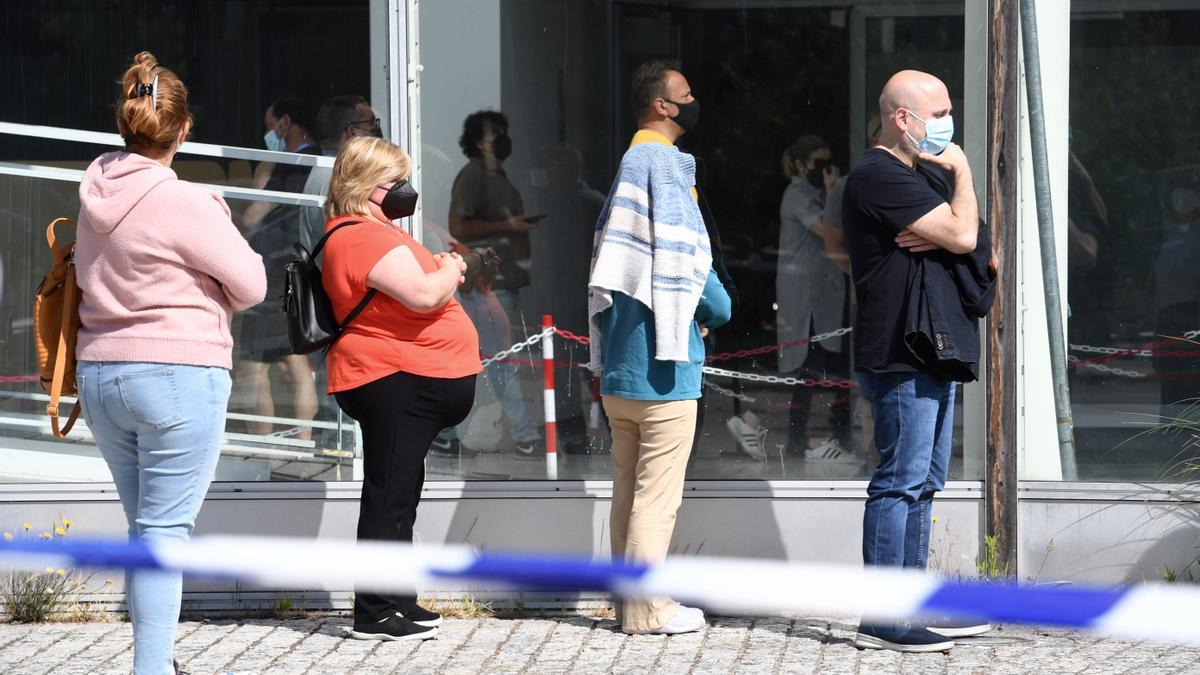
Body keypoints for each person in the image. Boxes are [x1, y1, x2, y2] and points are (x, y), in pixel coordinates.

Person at [74, 51, 267, 674]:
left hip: (101, 371)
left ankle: (153, 662)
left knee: (145, 533)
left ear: (125, 123)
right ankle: (152, 669)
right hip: (177, 374)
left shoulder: (94, 188)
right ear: (183, 131)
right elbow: (253, 284)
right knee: (164, 535)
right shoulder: (186, 200)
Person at [841, 70, 993, 652]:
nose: (947, 127)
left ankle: (913, 605)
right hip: (901, 350)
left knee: (926, 483)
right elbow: (962, 236)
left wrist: (960, 230)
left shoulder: (921, 173)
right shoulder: (877, 175)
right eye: (939, 113)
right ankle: (885, 619)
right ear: (903, 118)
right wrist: (964, 177)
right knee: (899, 483)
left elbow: (980, 242)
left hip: (936, 346)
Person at [588, 60, 732, 635]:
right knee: (656, 499)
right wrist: (719, 310)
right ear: (663, 106)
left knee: (628, 494)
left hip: (621, 371)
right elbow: (685, 259)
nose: (695, 101)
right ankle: (649, 610)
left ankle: (628, 605)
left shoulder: (627, 166)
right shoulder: (661, 163)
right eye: (687, 94)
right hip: (664, 370)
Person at [320, 136, 481, 641]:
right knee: (389, 494)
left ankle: (398, 599)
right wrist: (451, 268)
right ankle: (373, 613)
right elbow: (422, 295)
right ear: (366, 187)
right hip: (391, 377)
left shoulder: (373, 231)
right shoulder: (357, 235)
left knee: (401, 493)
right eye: (395, 182)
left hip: (405, 377)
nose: (404, 190)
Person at [446, 110, 542, 456]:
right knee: (500, 360)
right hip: (488, 284)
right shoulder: (473, 177)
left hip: (499, 281)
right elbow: (458, 226)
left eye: (504, 131)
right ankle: (525, 434)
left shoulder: (496, 175)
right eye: (494, 134)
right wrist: (510, 226)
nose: (502, 138)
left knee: (486, 359)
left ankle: (446, 434)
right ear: (476, 143)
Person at [298, 95, 384, 447]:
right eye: (372, 123)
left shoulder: (326, 173)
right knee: (345, 404)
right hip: (343, 308)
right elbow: (353, 247)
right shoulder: (336, 179)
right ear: (352, 132)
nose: (378, 131)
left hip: (336, 304)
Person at [237, 95, 322, 440]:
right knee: (295, 362)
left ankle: (262, 444)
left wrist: (264, 172)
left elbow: (253, 215)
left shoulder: (288, 165)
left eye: (271, 126)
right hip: (304, 271)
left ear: (285, 124)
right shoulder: (324, 162)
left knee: (251, 366)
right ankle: (303, 441)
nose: (269, 134)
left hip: (274, 272)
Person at [775, 133, 857, 470]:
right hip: (805, 298)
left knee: (831, 366)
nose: (827, 170)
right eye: (820, 163)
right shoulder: (797, 195)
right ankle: (798, 440)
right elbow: (827, 229)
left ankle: (836, 435)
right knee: (807, 368)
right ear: (801, 164)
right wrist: (832, 189)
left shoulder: (814, 193)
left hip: (824, 293)